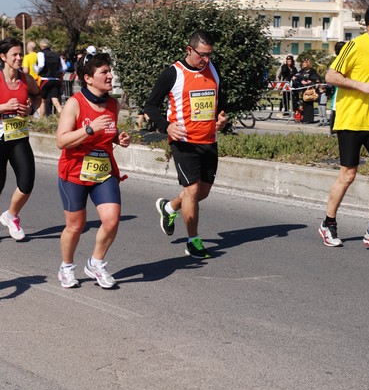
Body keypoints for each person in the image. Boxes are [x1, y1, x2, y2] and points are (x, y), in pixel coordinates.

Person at [319, 0, 369, 250]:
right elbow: (331, 76)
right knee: (348, 175)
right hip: (352, 120)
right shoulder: (355, 45)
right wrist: (361, 86)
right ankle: (328, 223)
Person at [144, 30, 228, 259]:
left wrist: (221, 118)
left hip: (209, 140)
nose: (207, 60)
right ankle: (193, 242)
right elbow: (150, 106)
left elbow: (220, 101)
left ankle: (169, 207)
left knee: (202, 192)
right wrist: (166, 126)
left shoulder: (213, 70)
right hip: (184, 142)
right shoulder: (173, 73)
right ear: (189, 50)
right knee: (191, 190)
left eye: (210, 55)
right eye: (202, 55)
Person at [56, 52, 130, 289]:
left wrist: (119, 137)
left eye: (109, 71)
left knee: (111, 220)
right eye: (104, 72)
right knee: (76, 225)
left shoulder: (112, 104)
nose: (110, 76)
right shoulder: (74, 103)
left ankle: (95, 263)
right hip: (75, 172)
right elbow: (61, 141)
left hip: (103, 171)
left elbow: (108, 131)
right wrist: (89, 130)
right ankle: (66, 267)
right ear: (88, 78)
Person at [0, 37, 41, 240]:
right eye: (14, 54)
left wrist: (30, 108)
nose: (18, 58)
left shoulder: (26, 79)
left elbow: (37, 96)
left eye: (20, 54)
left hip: (18, 136)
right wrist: (3, 108)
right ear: (3, 57)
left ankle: (11, 215)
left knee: (27, 182)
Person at [35, 39, 65, 117]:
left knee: (43, 101)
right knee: (55, 100)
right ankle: (62, 117)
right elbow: (64, 67)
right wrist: (58, 72)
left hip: (45, 80)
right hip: (55, 80)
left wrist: (37, 70)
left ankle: (41, 120)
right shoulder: (56, 55)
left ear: (41, 46)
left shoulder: (41, 53)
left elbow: (41, 65)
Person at [295, 56, 320, 124]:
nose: (304, 63)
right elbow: (297, 76)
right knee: (304, 104)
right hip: (304, 89)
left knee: (309, 104)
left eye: (306, 62)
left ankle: (310, 119)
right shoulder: (302, 70)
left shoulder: (312, 70)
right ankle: (304, 118)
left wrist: (310, 81)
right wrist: (301, 81)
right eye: (303, 62)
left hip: (310, 90)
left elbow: (316, 78)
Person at [329, 41, 346, 135]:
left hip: (340, 95)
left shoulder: (336, 62)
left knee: (336, 114)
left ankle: (334, 132)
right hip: (340, 94)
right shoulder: (340, 62)